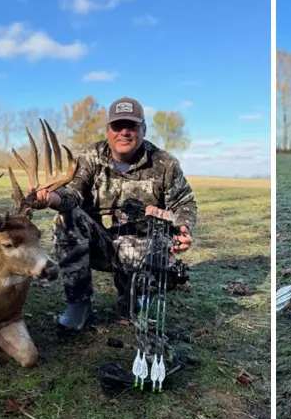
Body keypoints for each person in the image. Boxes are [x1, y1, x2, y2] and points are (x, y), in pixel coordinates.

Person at [30, 96, 197, 330]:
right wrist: (50, 198)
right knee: (66, 218)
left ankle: (134, 296)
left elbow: (184, 203)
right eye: (117, 126)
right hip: (99, 243)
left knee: (132, 304)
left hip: (140, 246)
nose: (124, 132)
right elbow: (72, 195)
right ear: (108, 130)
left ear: (144, 129)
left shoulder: (164, 163)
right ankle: (79, 303)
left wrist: (183, 229)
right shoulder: (90, 157)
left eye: (132, 126)